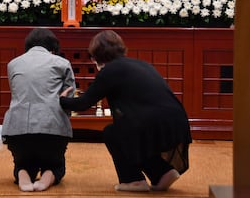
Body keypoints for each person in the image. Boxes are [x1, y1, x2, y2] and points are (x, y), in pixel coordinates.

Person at [60, 30, 192, 192]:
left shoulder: (110, 71)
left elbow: (83, 104)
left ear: (97, 55)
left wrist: (60, 99)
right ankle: (162, 172)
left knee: (112, 133)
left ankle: (133, 180)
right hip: (177, 121)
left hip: (153, 124)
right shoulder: (141, 64)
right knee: (131, 133)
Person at [1, 28, 76, 192]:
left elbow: (17, 94)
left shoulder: (13, 64)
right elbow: (68, 99)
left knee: (22, 162)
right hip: (51, 129)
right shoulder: (62, 63)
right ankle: (48, 175)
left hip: (16, 130)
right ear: (53, 49)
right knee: (56, 164)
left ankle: (22, 173)